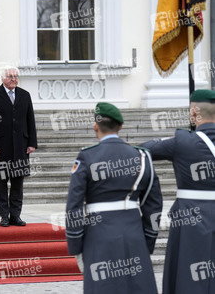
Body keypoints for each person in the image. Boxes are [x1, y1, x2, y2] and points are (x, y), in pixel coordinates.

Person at [66, 103, 162, 294]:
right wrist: (147, 241)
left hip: (99, 236)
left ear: (95, 126)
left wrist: (75, 244)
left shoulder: (87, 156)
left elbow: (74, 205)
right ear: (120, 127)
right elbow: (154, 205)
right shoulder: (141, 156)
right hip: (134, 234)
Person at [141, 89, 215, 294]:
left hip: (191, 214)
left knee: (188, 270)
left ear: (193, 112)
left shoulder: (182, 141)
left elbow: (143, 150)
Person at [0, 66, 37, 227]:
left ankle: (16, 216)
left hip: (21, 146)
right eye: (10, 76)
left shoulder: (24, 95)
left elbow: (30, 120)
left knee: (18, 183)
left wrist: (32, 143)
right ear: (3, 79)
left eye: (16, 76)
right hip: (0, 147)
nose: (14, 79)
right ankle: (4, 216)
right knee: (1, 182)